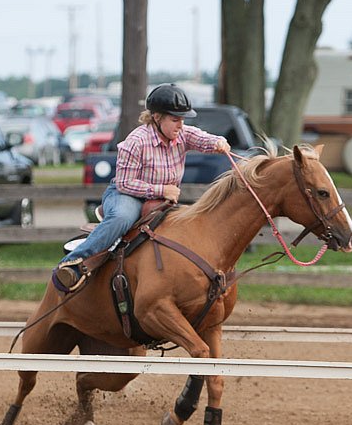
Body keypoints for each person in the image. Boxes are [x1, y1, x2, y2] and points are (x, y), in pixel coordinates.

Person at [54, 83, 231, 292]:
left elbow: (202, 138)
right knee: (121, 218)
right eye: (175, 119)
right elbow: (124, 183)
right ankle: (72, 263)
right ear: (157, 117)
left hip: (163, 199)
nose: (180, 125)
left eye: (182, 119)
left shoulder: (182, 133)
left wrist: (219, 142)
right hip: (127, 195)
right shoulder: (136, 141)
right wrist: (162, 191)